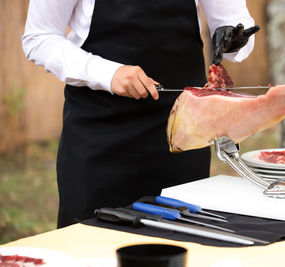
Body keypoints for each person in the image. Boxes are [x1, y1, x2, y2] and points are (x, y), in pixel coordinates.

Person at [22, 0, 259, 228]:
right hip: (99, 140)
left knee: (181, 245)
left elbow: (236, 23)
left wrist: (235, 37)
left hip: (183, 140)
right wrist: (107, 73)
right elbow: (39, 38)